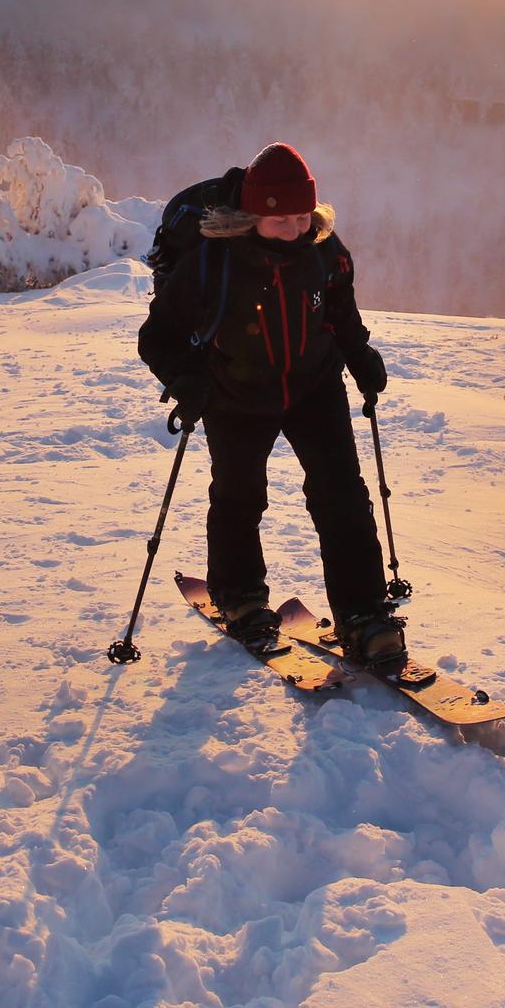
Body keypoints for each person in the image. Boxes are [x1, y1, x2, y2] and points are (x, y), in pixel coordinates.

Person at [137, 142, 405, 666]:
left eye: (304, 217)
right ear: (252, 215)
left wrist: (359, 353)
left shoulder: (323, 248)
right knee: (240, 497)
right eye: (281, 220)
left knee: (343, 498)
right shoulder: (211, 263)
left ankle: (365, 616)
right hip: (234, 394)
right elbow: (157, 337)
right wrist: (186, 380)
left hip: (313, 387)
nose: (295, 230)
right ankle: (239, 601)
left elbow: (340, 308)